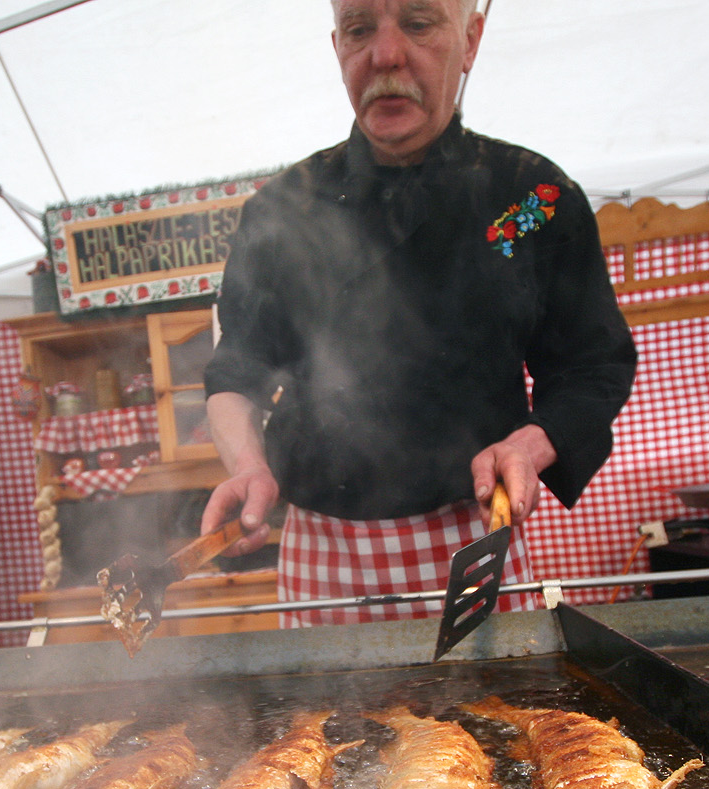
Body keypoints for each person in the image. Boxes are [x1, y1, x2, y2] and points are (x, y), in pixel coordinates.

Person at [200, 0, 636, 626]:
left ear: (471, 38)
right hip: (323, 554)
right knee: (319, 728)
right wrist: (248, 467)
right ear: (337, 48)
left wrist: (532, 443)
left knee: (496, 724)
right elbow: (236, 371)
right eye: (359, 29)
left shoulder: (532, 198)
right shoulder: (278, 211)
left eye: (419, 22)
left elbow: (592, 367)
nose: (385, 54)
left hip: (475, 540)